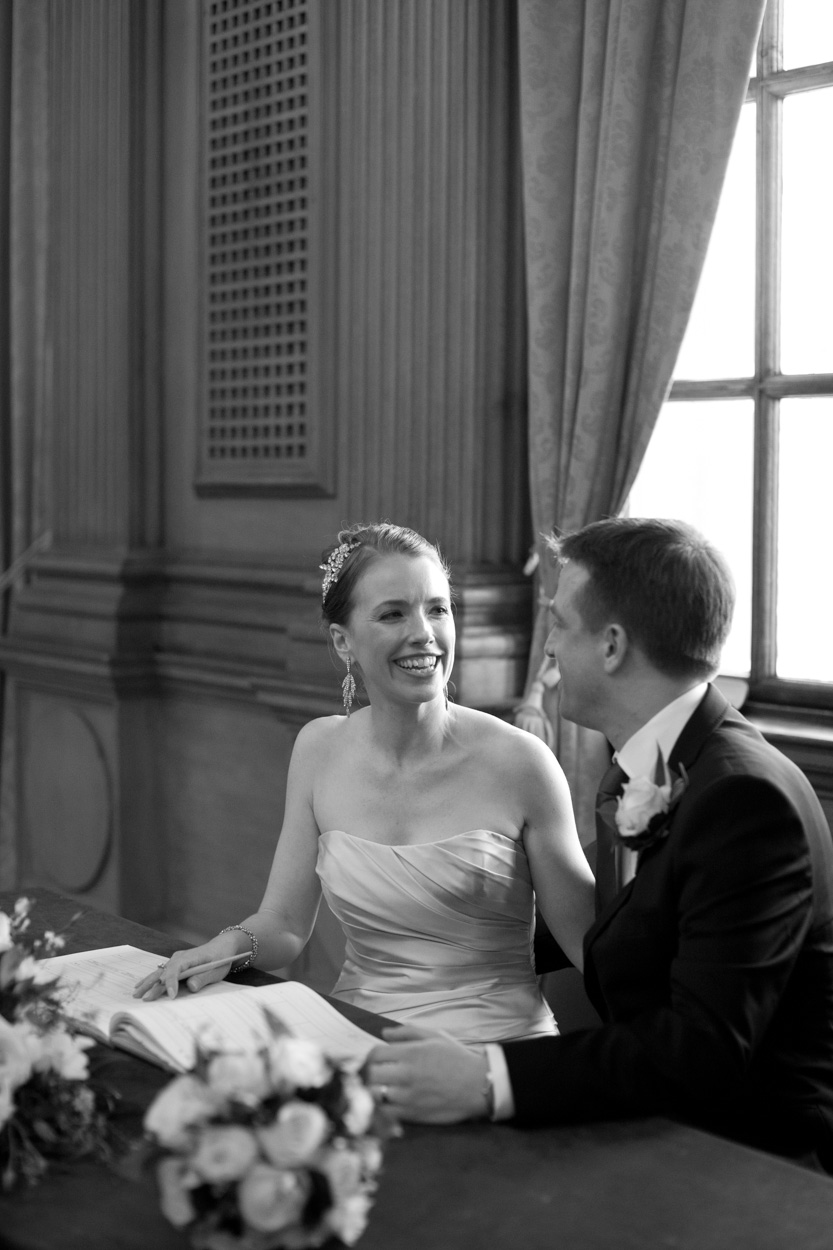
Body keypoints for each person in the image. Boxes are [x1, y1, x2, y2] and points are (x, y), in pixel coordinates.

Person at [368, 517, 833, 1174]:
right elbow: (618, 931)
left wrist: (486, 1076)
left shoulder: (743, 801)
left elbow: (700, 1051)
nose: (548, 646)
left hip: (751, 1159)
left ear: (611, 646)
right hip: (655, 1108)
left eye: (558, 623)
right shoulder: (644, 763)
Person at [134, 522, 595, 1047]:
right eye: (393, 613)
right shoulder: (318, 749)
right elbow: (284, 922)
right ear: (343, 641)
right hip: (361, 1041)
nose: (423, 631)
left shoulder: (522, 763)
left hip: (501, 1054)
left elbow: (590, 947)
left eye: (438, 608)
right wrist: (227, 948)